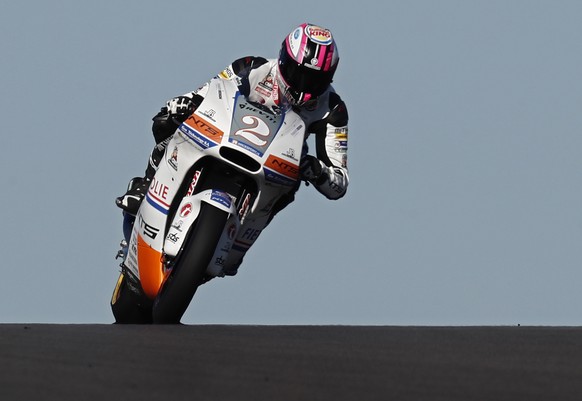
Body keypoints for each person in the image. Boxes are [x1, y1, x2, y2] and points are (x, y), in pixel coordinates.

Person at [115, 22, 349, 276]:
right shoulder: (251, 67)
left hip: (274, 166)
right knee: (168, 123)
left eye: (315, 80)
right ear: (283, 59)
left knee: (288, 189)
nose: (304, 87)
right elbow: (207, 92)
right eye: (298, 74)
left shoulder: (332, 109)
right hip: (224, 138)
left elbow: (339, 183)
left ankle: (238, 241)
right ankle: (146, 185)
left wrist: (316, 170)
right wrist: (184, 103)